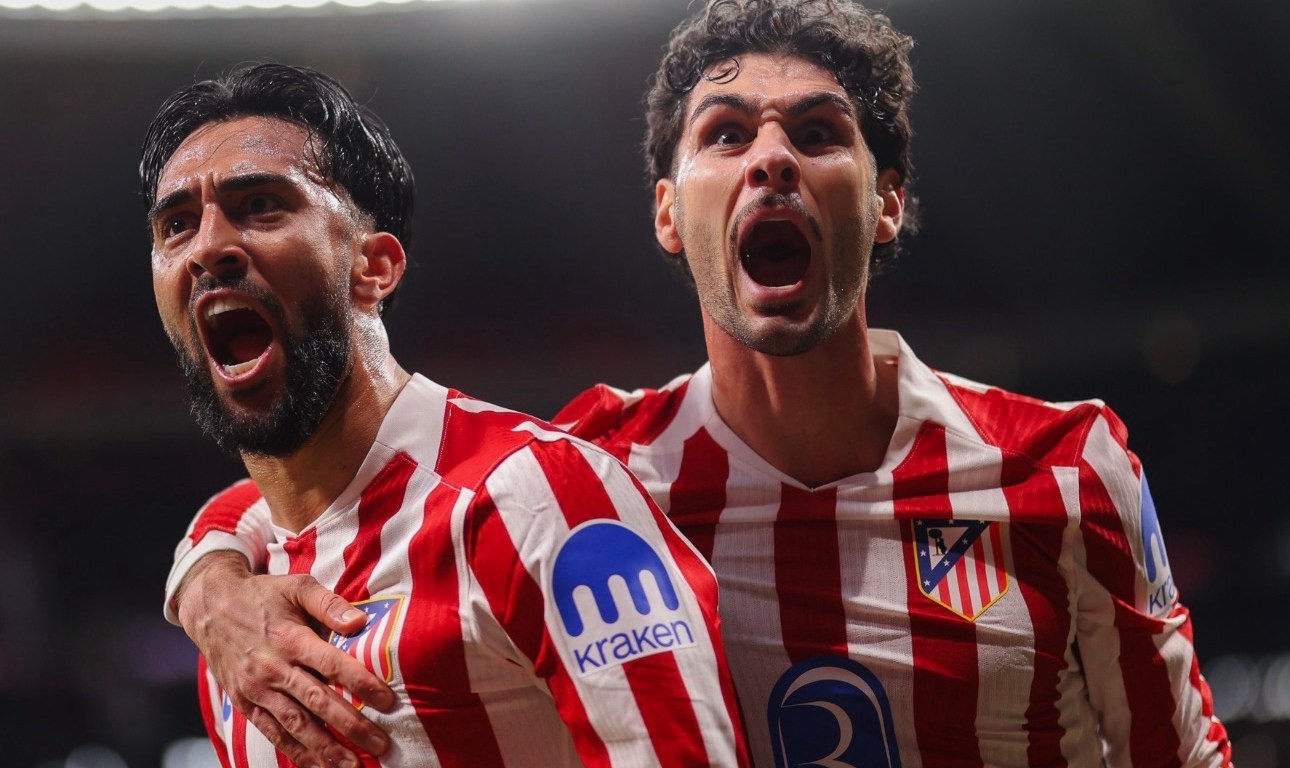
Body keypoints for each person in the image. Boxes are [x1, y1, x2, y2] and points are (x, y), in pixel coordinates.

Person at [162, 4, 1234, 767]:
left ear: (887, 201)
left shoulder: (1062, 466)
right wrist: (210, 585)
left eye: (817, 132)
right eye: (726, 134)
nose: (772, 159)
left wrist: (202, 581)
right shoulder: (605, 469)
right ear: (671, 215)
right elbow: (354, 482)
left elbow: (1184, 754)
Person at [142, 61, 746, 768]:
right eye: (177, 225)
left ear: (374, 267)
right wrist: (204, 579)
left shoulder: (536, 497)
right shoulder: (236, 614)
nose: (209, 247)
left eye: (261, 206)